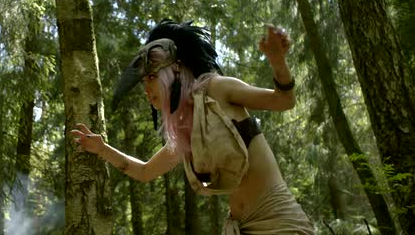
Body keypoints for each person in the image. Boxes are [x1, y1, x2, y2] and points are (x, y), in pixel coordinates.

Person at [71, 19, 314, 234]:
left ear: (175, 69)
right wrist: (102, 149)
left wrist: (277, 61)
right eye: (144, 81)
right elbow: (145, 172)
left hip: (281, 224)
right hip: (243, 228)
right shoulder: (187, 129)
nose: (146, 89)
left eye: (152, 77)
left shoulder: (217, 89)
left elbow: (283, 100)